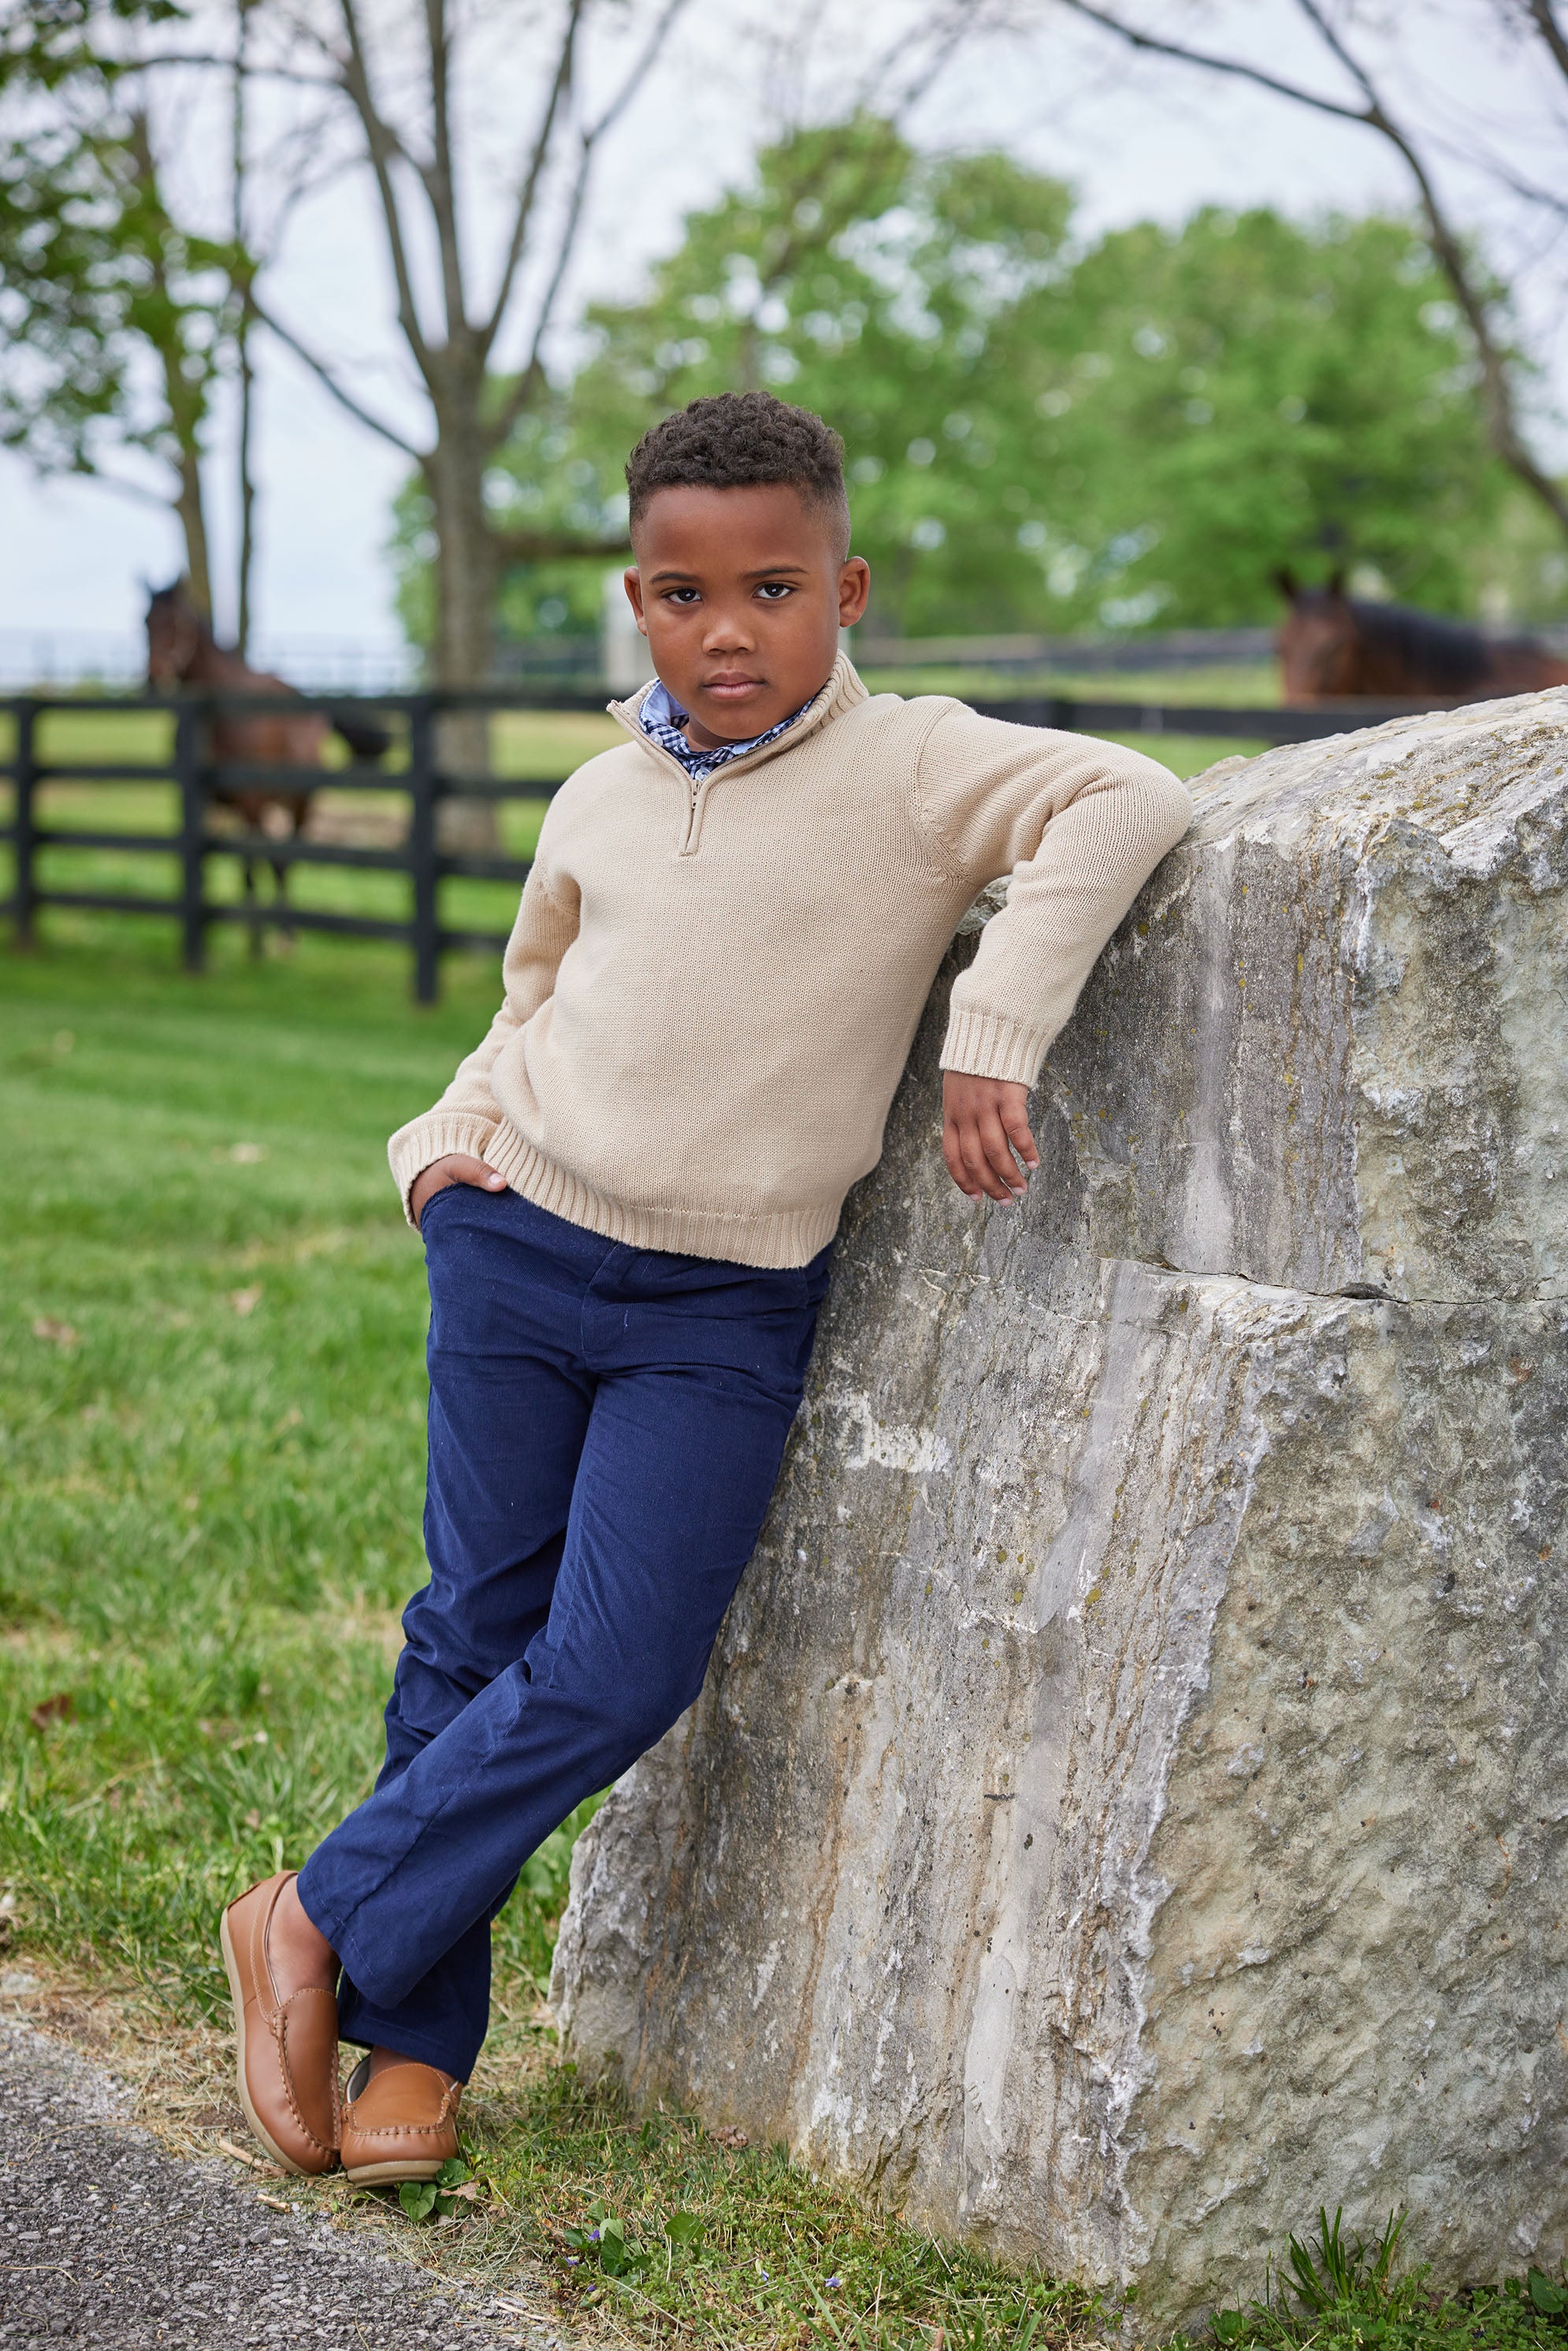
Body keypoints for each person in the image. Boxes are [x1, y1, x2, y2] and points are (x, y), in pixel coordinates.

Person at [218, 391, 1193, 2185]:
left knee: (613, 1665)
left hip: (718, 1312)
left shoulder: (906, 768)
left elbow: (1124, 793)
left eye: (768, 588)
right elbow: (529, 1001)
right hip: (514, 1246)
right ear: (636, 594)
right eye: (678, 593)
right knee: (469, 1635)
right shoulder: (596, 789)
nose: (722, 631)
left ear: (846, 587)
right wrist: (438, 1151)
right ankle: (413, 2052)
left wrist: (994, 1036)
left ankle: (314, 1908)